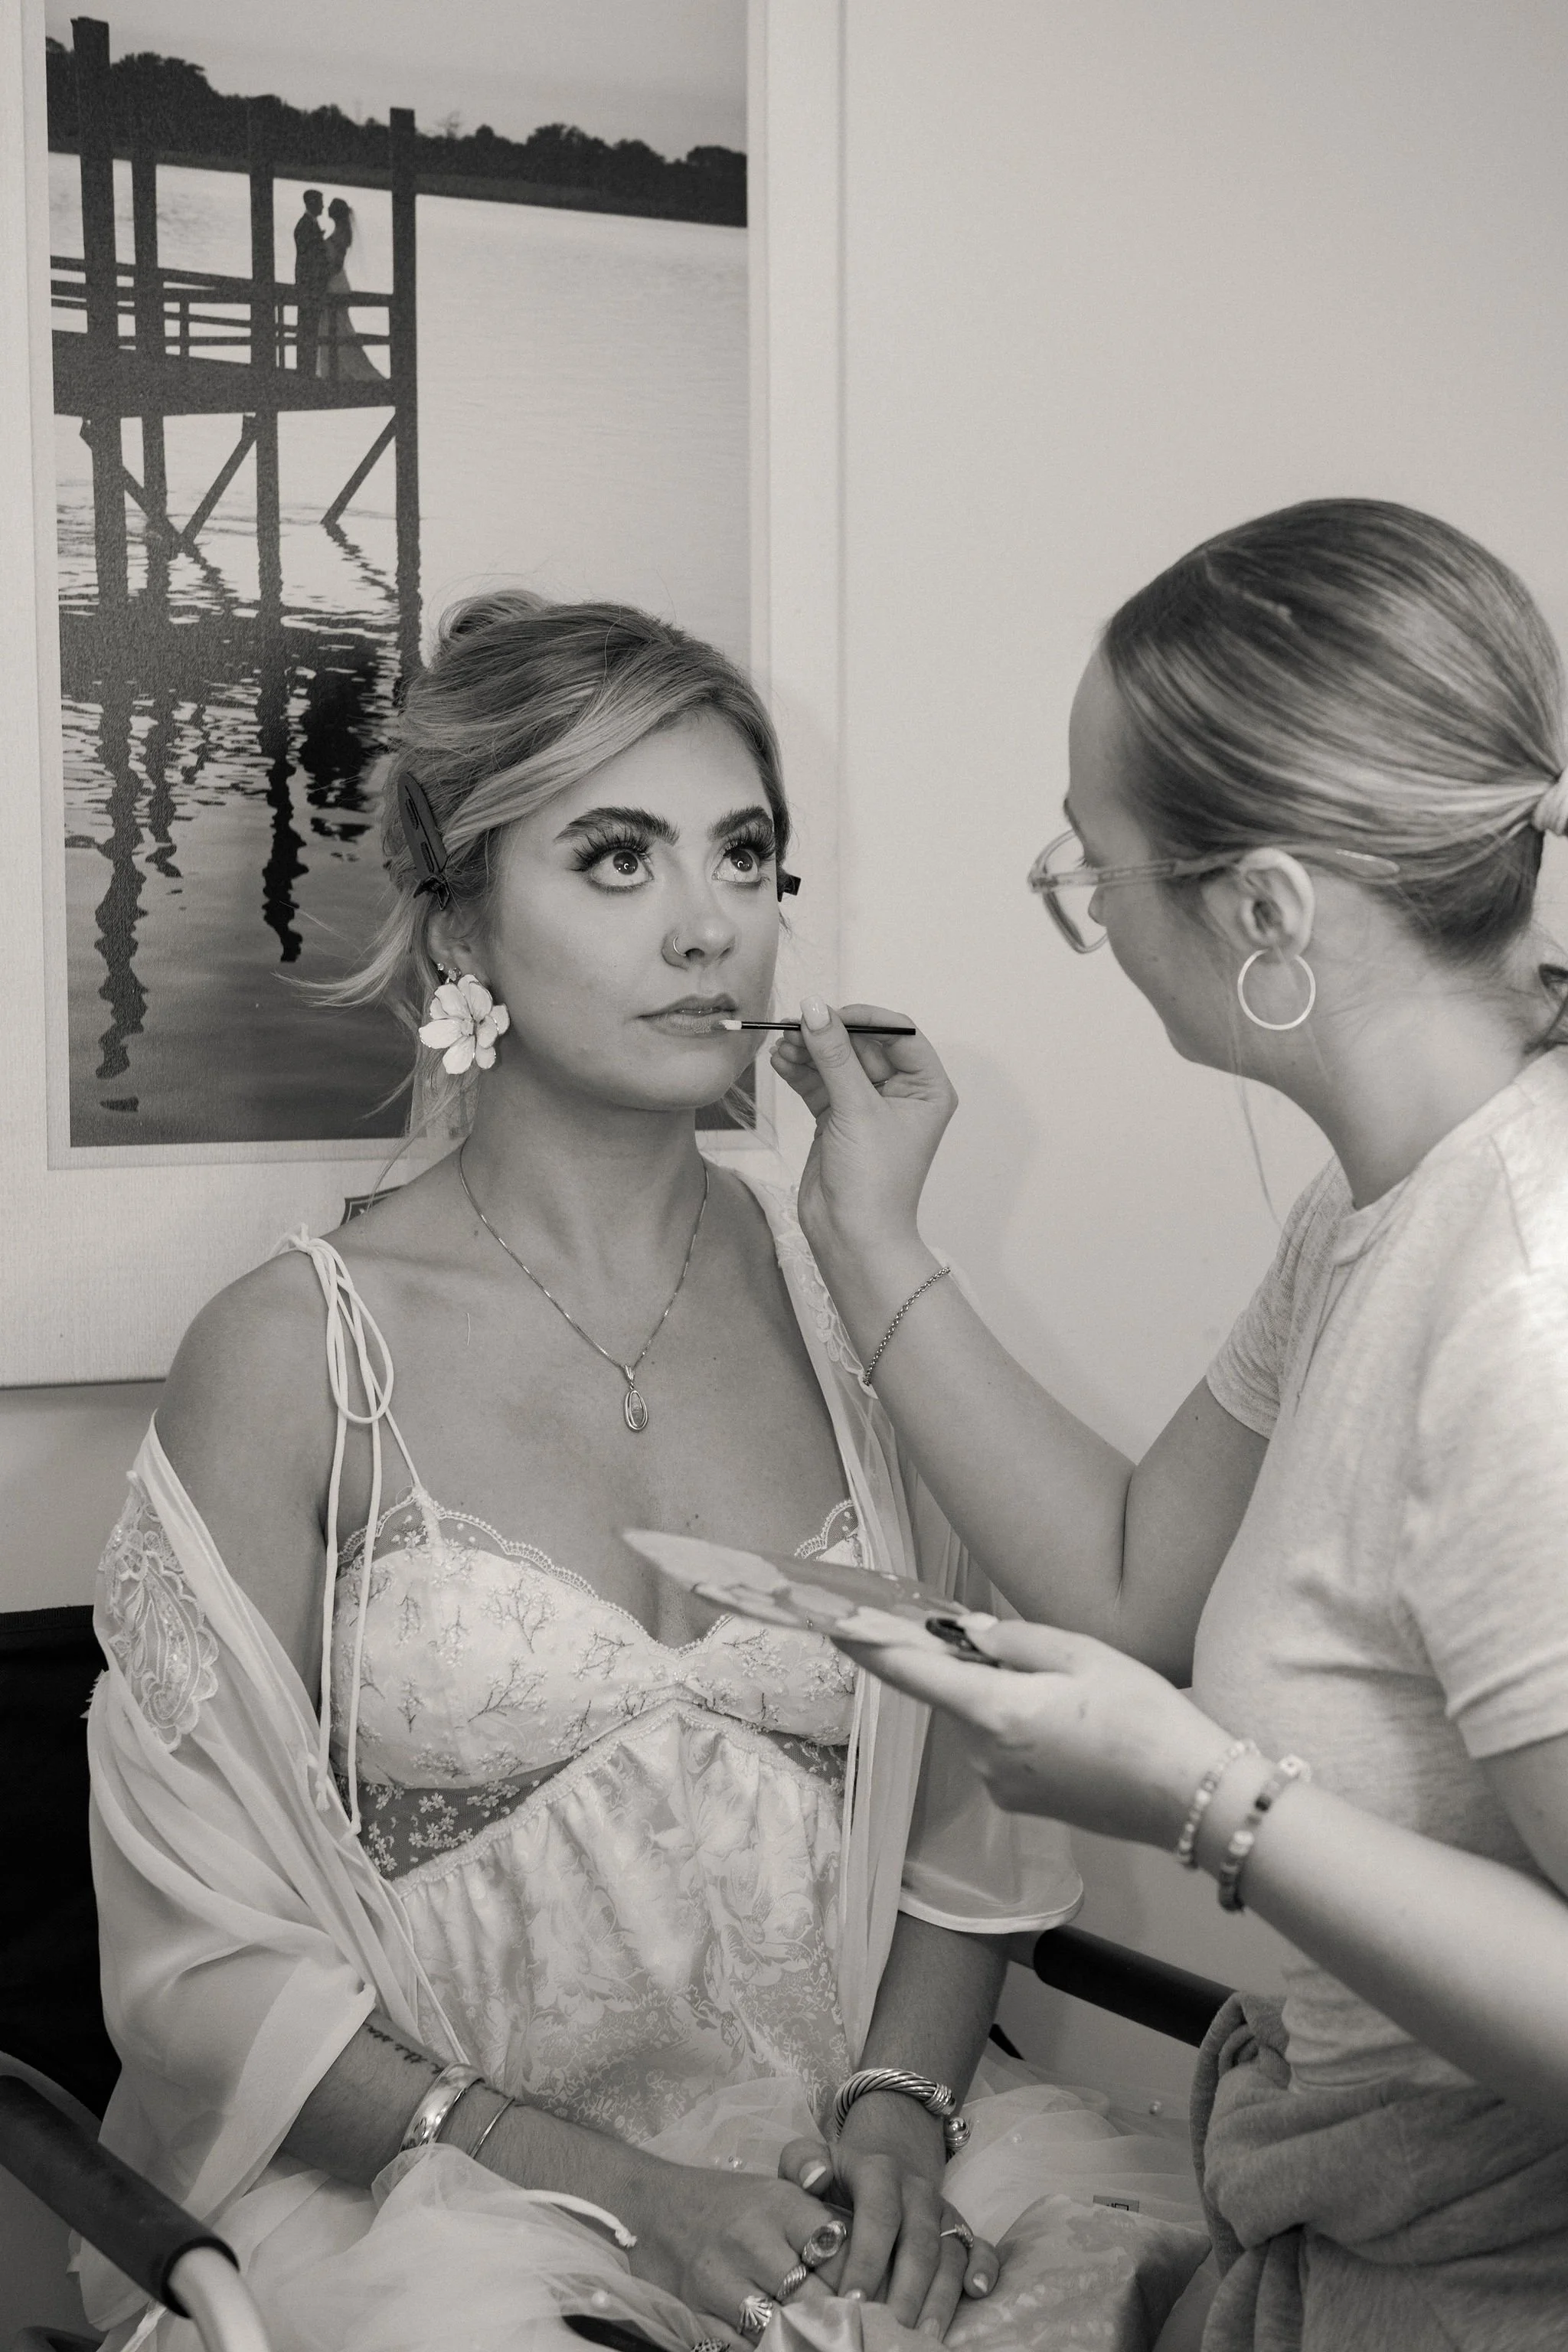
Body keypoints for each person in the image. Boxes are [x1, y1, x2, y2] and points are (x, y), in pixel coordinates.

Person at [82, 593, 1209, 2352]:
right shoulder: (295, 1352)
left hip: (848, 2166)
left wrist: (900, 2114)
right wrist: (618, 2191)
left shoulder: (859, 1314)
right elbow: (196, 1972)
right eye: (616, 859)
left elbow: (975, 1806)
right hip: (431, 2205)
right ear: (460, 922)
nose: (709, 926)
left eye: (743, 855)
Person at [772, 498, 1568, 2350]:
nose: (1085, 900)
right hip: (1347, 2235)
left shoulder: (1524, 1310)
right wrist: (866, 1231)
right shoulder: (1373, 1209)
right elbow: (1134, 1581)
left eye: (1094, 856)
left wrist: (1200, 1794)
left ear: (1265, 909)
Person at [317, 198, 384, 382]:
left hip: (335, 283)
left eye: (330, 206)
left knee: (336, 327)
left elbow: (336, 263)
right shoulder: (342, 233)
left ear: (336, 213)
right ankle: (335, 368)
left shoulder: (340, 235)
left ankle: (341, 369)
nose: (327, 208)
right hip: (336, 282)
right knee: (334, 327)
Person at [292, 188, 329, 374]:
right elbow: (309, 260)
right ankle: (305, 369)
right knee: (307, 329)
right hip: (309, 289)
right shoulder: (305, 226)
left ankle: (307, 368)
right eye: (321, 202)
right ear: (312, 203)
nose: (323, 206)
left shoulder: (308, 225)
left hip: (311, 289)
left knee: (310, 329)